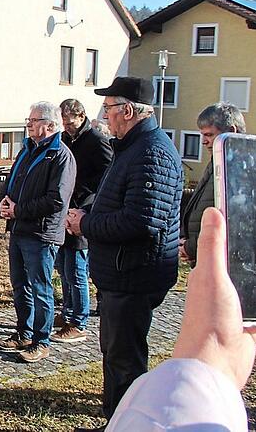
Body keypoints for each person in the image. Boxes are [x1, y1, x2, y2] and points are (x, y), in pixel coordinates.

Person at [67, 76, 184, 427]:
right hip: (120, 273)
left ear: (128, 111)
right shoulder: (131, 147)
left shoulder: (151, 152)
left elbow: (141, 221)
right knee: (115, 356)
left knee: (125, 362)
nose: (105, 118)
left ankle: (127, 423)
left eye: (109, 110)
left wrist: (86, 225)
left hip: (134, 274)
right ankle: (116, 420)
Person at [104, 208, 256, 431]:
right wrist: (215, 360)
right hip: (117, 270)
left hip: (135, 272)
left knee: (126, 350)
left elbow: (144, 217)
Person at [0, 101, 76, 364]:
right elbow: (14, 180)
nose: (28, 125)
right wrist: (6, 202)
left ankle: (41, 341)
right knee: (20, 285)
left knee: (41, 288)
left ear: (50, 125)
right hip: (19, 229)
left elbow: (56, 200)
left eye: (33, 121)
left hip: (41, 233)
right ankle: (23, 331)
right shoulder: (27, 150)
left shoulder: (61, 155)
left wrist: (19, 209)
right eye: (28, 120)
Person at [53, 99, 112, 343]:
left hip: (84, 212)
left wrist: (88, 204)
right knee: (63, 266)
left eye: (70, 123)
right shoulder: (65, 139)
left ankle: (79, 321)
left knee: (77, 270)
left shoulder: (97, 141)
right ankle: (67, 312)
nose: (67, 127)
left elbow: (109, 177)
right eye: (64, 123)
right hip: (64, 210)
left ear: (81, 116)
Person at [180, 102, 245, 268]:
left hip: (221, 265)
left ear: (231, 132)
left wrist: (193, 247)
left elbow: (233, 222)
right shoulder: (218, 160)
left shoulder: (240, 167)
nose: (204, 142)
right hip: (204, 259)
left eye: (209, 135)